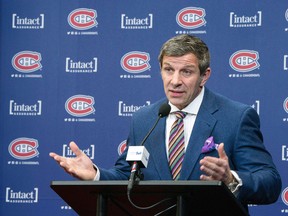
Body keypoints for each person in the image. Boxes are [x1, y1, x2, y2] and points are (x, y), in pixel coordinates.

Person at [50, 34, 282, 210]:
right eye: (168, 69)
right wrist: (96, 175)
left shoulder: (236, 117)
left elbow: (270, 183)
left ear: (205, 75)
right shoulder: (144, 119)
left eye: (186, 72)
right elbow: (128, 174)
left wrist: (231, 179)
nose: (175, 81)